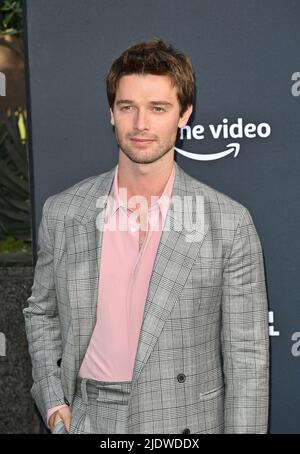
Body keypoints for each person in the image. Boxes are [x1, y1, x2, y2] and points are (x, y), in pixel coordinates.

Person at [23, 38, 269, 434]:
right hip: (88, 419)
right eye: (127, 107)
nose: (141, 124)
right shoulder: (63, 212)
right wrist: (53, 402)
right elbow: (41, 313)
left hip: (184, 423)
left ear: (184, 114)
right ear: (111, 113)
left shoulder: (229, 223)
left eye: (158, 108)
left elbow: (247, 358)